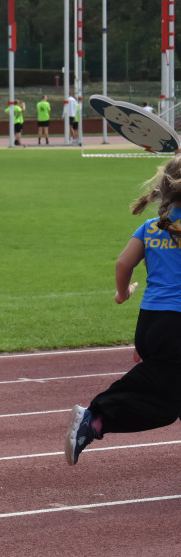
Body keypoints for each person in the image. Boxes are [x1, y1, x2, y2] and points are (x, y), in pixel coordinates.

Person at [65, 155, 181, 465]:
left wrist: (121, 294)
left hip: (150, 324)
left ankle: (99, 420)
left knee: (170, 404)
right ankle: (96, 416)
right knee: (164, 400)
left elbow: (123, 263)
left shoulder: (150, 227)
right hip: (176, 328)